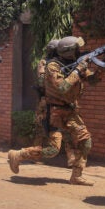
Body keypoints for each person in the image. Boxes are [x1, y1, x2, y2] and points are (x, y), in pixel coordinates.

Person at [8, 36, 105, 185]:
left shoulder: (73, 64)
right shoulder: (53, 66)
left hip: (70, 111)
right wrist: (77, 70)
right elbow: (62, 87)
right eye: (76, 49)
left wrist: (104, 64)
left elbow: (93, 81)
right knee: (53, 149)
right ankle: (19, 155)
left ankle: (76, 175)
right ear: (69, 51)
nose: (79, 51)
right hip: (54, 112)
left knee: (86, 141)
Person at [33, 39, 76, 168]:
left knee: (68, 129)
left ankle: (71, 157)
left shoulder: (63, 63)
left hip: (63, 100)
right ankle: (35, 152)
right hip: (47, 101)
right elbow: (41, 83)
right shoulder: (45, 63)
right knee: (41, 128)